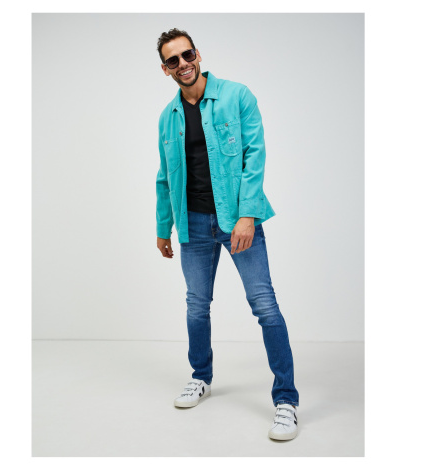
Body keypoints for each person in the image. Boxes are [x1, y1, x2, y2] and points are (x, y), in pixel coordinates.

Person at [155, 28, 300, 441]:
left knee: (264, 304)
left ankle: (286, 400)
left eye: (187, 55)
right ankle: (200, 376)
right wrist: (163, 227)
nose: (183, 64)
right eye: (172, 60)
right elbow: (165, 176)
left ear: (197, 54)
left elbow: (256, 156)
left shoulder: (237, 96)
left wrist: (248, 215)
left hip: (237, 220)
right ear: (165, 69)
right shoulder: (168, 117)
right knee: (196, 305)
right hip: (192, 224)